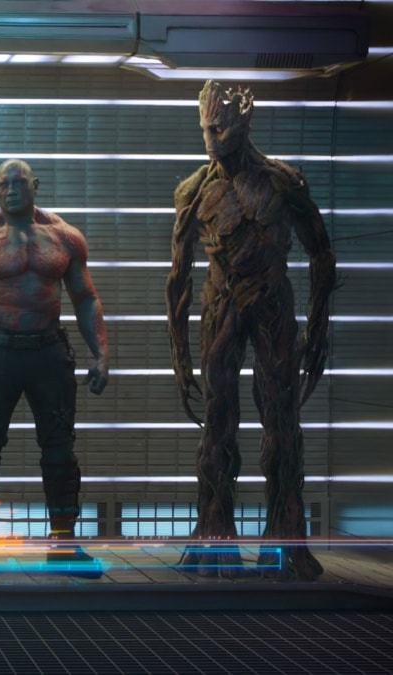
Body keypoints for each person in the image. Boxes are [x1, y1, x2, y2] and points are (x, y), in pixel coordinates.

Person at [166, 80, 335, 581]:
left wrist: (318, 326)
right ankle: (214, 533)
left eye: (219, 128)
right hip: (220, 306)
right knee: (217, 420)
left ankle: (285, 538)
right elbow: (178, 276)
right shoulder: (193, 192)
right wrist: (179, 352)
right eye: (205, 128)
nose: (211, 138)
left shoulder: (282, 183)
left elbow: (321, 254)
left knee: (281, 421)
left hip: (272, 305)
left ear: (243, 124)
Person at [0, 159, 109, 579]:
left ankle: (63, 546)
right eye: (3, 184)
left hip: (49, 351)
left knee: (61, 451)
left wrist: (101, 353)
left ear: (35, 185)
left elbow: (85, 298)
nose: (11, 190)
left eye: (19, 182)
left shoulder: (64, 237)